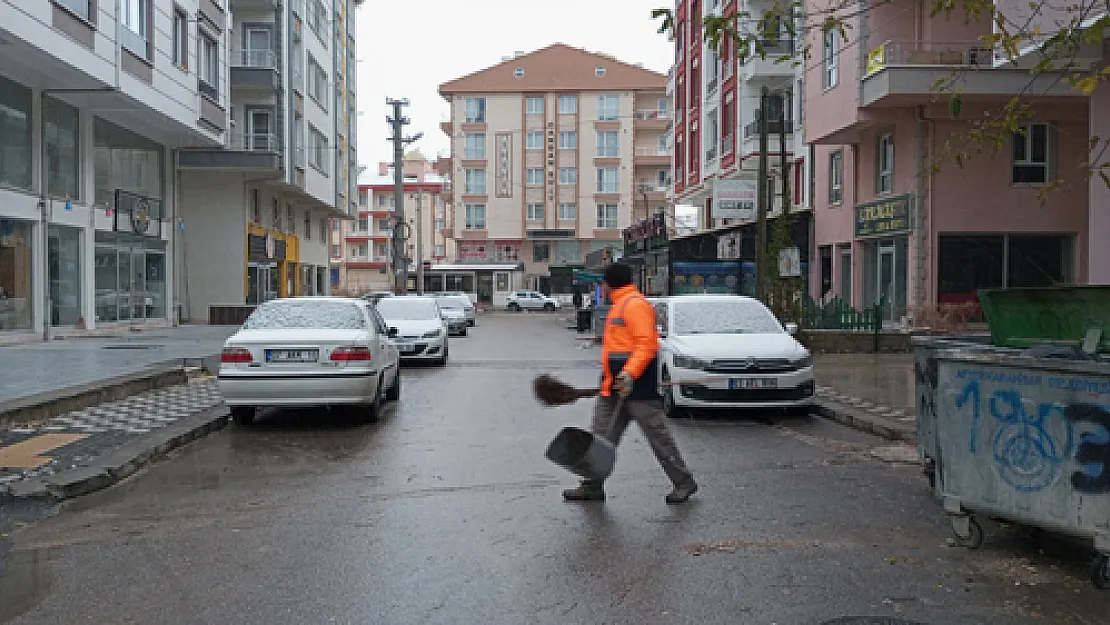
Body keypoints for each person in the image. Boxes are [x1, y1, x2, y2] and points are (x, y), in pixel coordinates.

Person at [563, 262, 698, 504]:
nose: (600, 287)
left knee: (659, 439)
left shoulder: (635, 305)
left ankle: (683, 483)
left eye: (602, 283)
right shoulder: (619, 305)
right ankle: (592, 486)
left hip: (639, 390)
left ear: (609, 283)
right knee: (601, 439)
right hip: (613, 388)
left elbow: (647, 344)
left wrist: (630, 374)